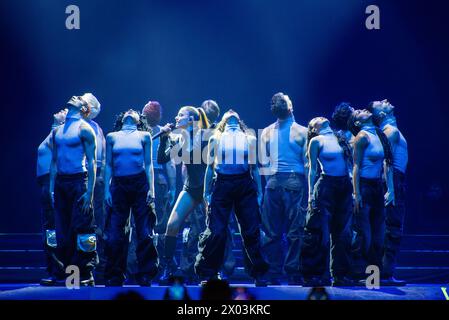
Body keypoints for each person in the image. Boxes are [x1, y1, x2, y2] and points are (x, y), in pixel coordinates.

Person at [195, 110, 269, 286]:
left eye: (234, 113)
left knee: (251, 231)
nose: (231, 112)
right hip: (222, 184)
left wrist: (259, 192)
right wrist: (206, 193)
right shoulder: (216, 138)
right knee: (217, 231)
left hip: (244, 184)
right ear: (224, 121)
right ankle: (210, 273)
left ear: (239, 120)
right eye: (228, 114)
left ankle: (259, 273)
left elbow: (255, 168)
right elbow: (209, 168)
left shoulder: (249, 138)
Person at [103, 109, 158, 286]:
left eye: (133, 112)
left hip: (140, 184)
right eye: (126, 111)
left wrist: (152, 190)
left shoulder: (144, 136)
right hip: (118, 185)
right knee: (115, 233)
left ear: (138, 120)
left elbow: (149, 164)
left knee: (144, 232)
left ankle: (146, 274)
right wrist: (106, 190)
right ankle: (115, 274)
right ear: (121, 118)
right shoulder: (112, 136)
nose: (129, 111)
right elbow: (108, 165)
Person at [49, 93, 99, 286]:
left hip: (79, 181)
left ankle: (85, 274)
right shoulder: (57, 131)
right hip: (62, 182)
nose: (74, 96)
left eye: (79, 98)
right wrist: (53, 189)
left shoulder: (85, 129)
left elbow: (93, 162)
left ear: (83, 108)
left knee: (83, 229)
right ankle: (70, 275)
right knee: (63, 230)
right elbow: (54, 162)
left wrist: (90, 193)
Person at [157, 106, 210, 284]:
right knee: (171, 226)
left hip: (206, 189)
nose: (176, 117)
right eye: (177, 114)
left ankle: (210, 268)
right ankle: (168, 266)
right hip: (190, 188)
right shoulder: (179, 138)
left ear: (191, 119)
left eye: (181, 115)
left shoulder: (204, 136)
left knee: (212, 228)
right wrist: (164, 138)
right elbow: (162, 159)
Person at [259, 93, 308, 285]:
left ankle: (272, 271)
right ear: (290, 107)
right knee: (295, 230)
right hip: (295, 180)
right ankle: (293, 272)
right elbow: (307, 164)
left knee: (272, 231)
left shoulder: (266, 132)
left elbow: (263, 162)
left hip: (273, 181)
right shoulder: (302, 131)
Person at [300, 117, 354, 287]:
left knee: (343, 233)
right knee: (320, 234)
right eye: (315, 119)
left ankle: (339, 274)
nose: (320, 117)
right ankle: (314, 274)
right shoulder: (316, 140)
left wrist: (353, 190)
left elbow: (350, 164)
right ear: (313, 128)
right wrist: (310, 196)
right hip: (326, 187)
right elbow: (312, 170)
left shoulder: (340, 137)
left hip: (344, 186)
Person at [348, 109, 395, 283]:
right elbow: (356, 166)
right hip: (365, 187)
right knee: (364, 235)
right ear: (357, 122)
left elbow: (387, 163)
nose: (363, 110)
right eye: (358, 112)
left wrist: (389, 189)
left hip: (376, 187)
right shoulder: (361, 137)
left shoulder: (379, 133)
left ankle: (373, 277)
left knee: (378, 235)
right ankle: (357, 273)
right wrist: (356, 192)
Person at [367, 99, 408, 286]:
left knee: (387, 228)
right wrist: (391, 189)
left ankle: (380, 275)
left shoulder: (389, 130)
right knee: (391, 229)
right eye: (381, 103)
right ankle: (384, 275)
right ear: (382, 114)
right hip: (393, 180)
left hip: (394, 180)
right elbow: (387, 161)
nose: (385, 101)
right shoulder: (390, 131)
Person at [140, 101, 176, 278]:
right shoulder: (164, 132)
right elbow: (169, 164)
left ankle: (143, 266)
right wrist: (173, 187)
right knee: (160, 223)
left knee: (142, 224)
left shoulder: (138, 133)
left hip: (142, 180)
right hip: (160, 180)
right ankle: (162, 266)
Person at [37, 108, 67, 286]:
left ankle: (58, 271)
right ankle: (56, 270)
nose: (61, 109)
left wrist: (53, 189)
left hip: (52, 182)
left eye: (65, 110)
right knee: (50, 228)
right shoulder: (54, 132)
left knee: (52, 228)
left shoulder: (59, 134)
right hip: (46, 182)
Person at [81, 99, 106, 282]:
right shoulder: (74, 126)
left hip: (96, 178)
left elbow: (102, 155)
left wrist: (102, 175)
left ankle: (97, 264)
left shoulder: (97, 128)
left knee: (97, 221)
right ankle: (79, 269)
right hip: (79, 177)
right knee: (83, 222)